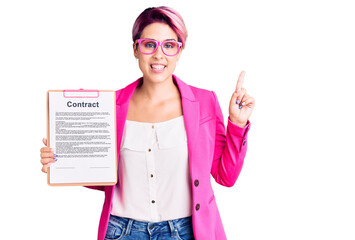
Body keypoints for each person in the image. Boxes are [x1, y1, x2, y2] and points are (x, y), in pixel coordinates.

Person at [40, 6, 255, 240]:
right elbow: (107, 179)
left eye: (169, 46)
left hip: (186, 231)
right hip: (122, 232)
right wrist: (62, 161)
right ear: (136, 49)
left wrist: (236, 124)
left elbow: (226, 177)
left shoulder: (204, 102)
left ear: (180, 51)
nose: (159, 55)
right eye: (149, 45)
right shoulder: (110, 106)